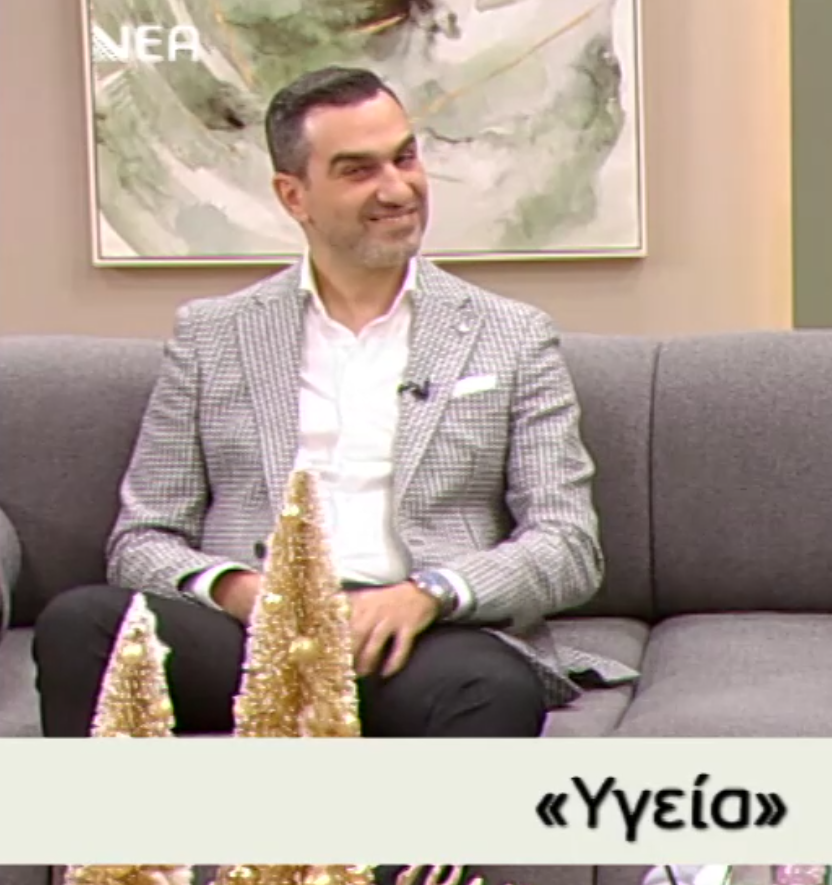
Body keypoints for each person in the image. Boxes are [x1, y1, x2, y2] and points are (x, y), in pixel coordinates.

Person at [32, 66, 636, 739]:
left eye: (405, 157)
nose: (397, 188)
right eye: (358, 170)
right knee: (81, 625)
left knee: (491, 689)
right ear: (294, 195)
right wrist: (245, 592)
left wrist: (428, 594)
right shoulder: (212, 335)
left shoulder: (511, 335)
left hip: (419, 638)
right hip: (249, 637)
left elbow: (568, 544)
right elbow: (141, 539)